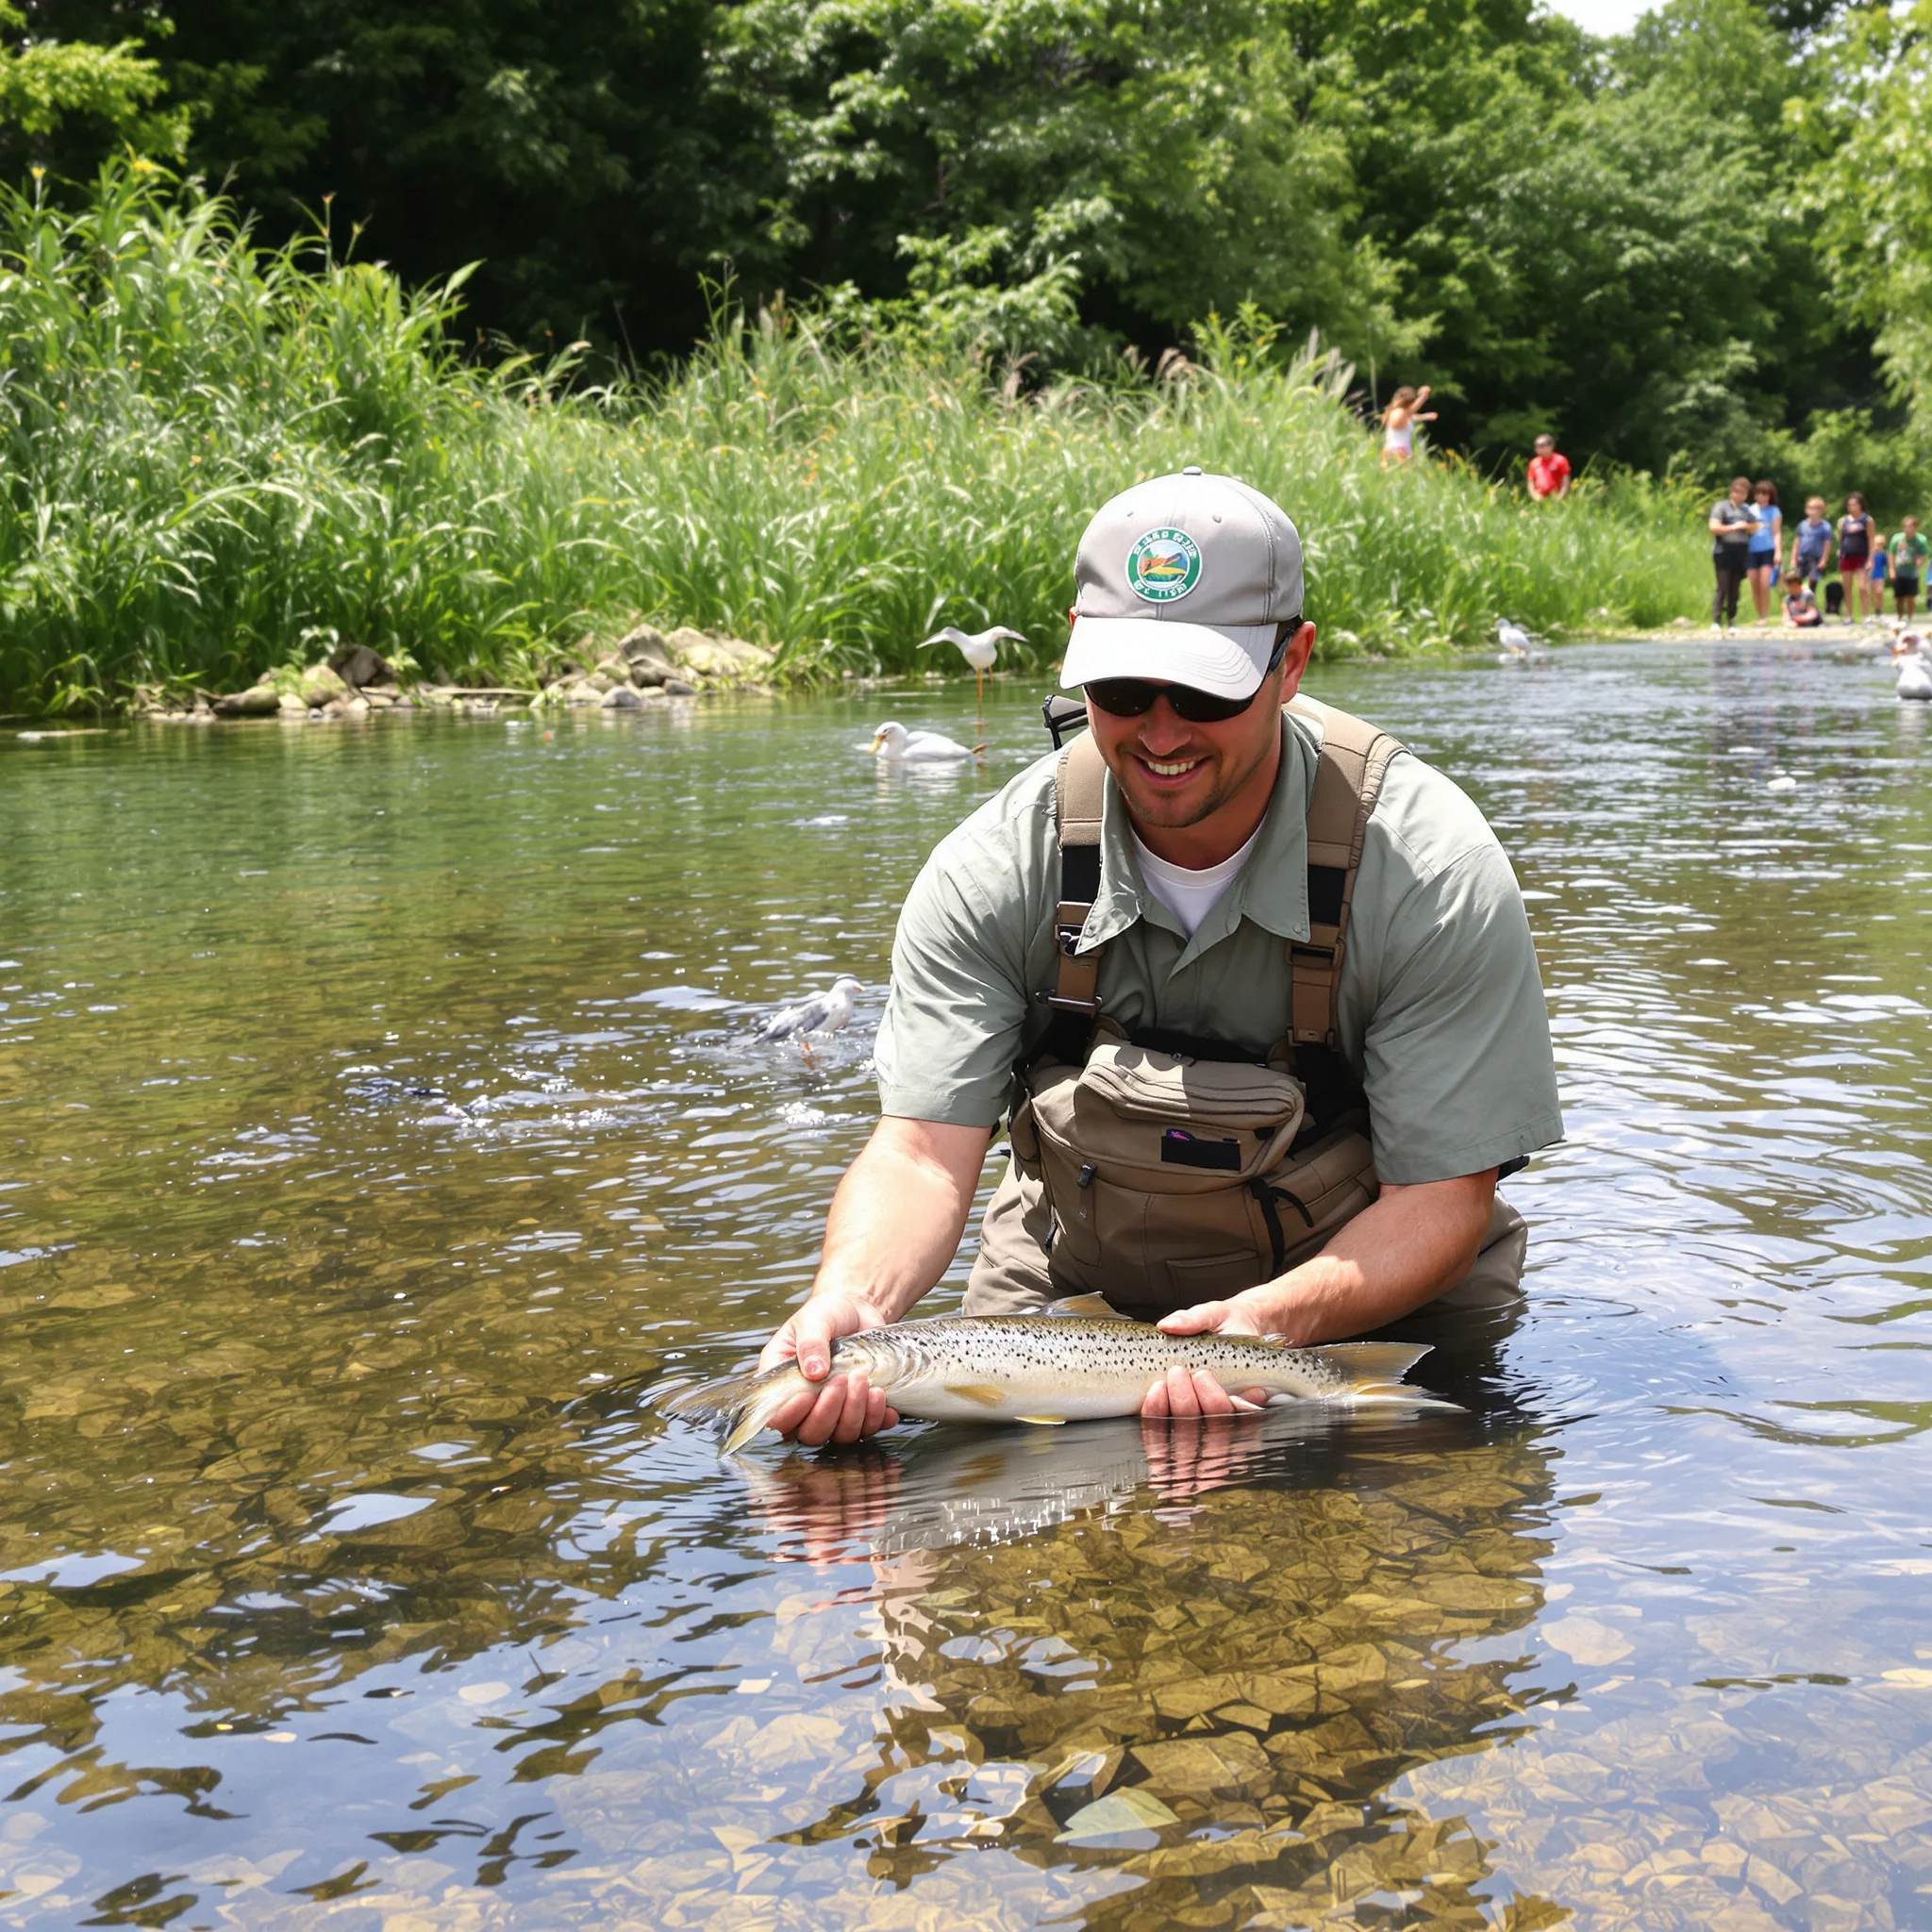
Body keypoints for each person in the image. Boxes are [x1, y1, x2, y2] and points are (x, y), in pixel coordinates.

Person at [755, 468, 1564, 1444]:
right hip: (1072, 1286)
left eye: (1201, 688)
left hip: (1379, 1292)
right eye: (1123, 686)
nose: (1160, 729)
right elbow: (923, 1155)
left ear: (1292, 661)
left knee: (1430, 1540)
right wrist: (853, 1300)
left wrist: (1261, 1332)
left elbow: (1440, 1199)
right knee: (926, 1564)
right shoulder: (993, 866)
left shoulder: (1427, 870)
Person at [1708, 476, 1757, 633]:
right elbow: (1714, 527)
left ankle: (1731, 620)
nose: (1739, 495)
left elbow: (1755, 526)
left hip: (1741, 552)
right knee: (1723, 586)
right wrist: (1734, 527)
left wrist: (1748, 527)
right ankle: (1716, 620)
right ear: (1731, 491)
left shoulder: (1746, 510)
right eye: (1737, 492)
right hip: (1723, 551)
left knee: (1735, 588)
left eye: (1743, 493)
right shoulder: (1721, 507)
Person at [1745, 480, 1782, 624]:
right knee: (1754, 582)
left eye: (1765, 494)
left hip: (1768, 550)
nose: (1762, 497)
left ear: (1770, 496)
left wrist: (1778, 552)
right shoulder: (1750, 510)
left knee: (1764, 583)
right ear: (1755, 495)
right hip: (1751, 551)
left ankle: (1764, 616)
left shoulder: (1774, 511)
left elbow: (1777, 533)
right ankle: (1758, 613)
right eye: (1759, 494)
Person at [1837, 493, 1876, 623]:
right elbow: (1841, 538)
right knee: (1847, 587)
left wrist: (1871, 558)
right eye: (1849, 504)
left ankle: (1866, 615)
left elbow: (1871, 539)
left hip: (1862, 556)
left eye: (1855, 504)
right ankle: (1849, 615)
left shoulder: (1867, 520)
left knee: (1862, 587)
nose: (1852, 507)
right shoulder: (1843, 521)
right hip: (1846, 556)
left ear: (1860, 505)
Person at [1380, 386, 1436, 464]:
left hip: (1388, 451)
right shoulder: (1402, 414)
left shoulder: (1393, 412)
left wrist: (1425, 416)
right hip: (1399, 454)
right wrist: (1424, 395)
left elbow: (1410, 417)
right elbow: (1412, 410)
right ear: (1409, 402)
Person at [1789, 495, 1834, 589]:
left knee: (1812, 581)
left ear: (1821, 511)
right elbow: (1797, 542)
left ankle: (1810, 600)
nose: (1812, 511)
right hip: (1802, 557)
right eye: (1810, 508)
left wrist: (1824, 559)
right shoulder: (1802, 524)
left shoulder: (1825, 527)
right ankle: (1798, 601)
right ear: (1806, 510)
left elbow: (1827, 543)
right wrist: (1793, 558)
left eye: (1815, 508)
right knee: (1797, 581)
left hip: (1815, 558)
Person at [1890, 515, 1928, 623]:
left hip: (1912, 572)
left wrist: (1919, 562)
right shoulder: (1897, 538)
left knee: (1911, 596)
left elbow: (1923, 553)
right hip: (1899, 571)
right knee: (1899, 597)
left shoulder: (1920, 540)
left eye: (1911, 527)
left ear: (1916, 528)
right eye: (1906, 527)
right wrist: (1892, 569)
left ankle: (1909, 618)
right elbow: (1891, 553)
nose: (1909, 529)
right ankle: (1899, 617)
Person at [1527, 434, 1571, 501]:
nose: (1537, 448)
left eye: (1541, 445)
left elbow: (1566, 482)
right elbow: (1530, 483)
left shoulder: (1560, 460)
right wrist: (1535, 497)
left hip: (1557, 498)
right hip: (1539, 499)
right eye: (1536, 446)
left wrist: (1559, 498)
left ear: (1550, 446)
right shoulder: (1534, 462)